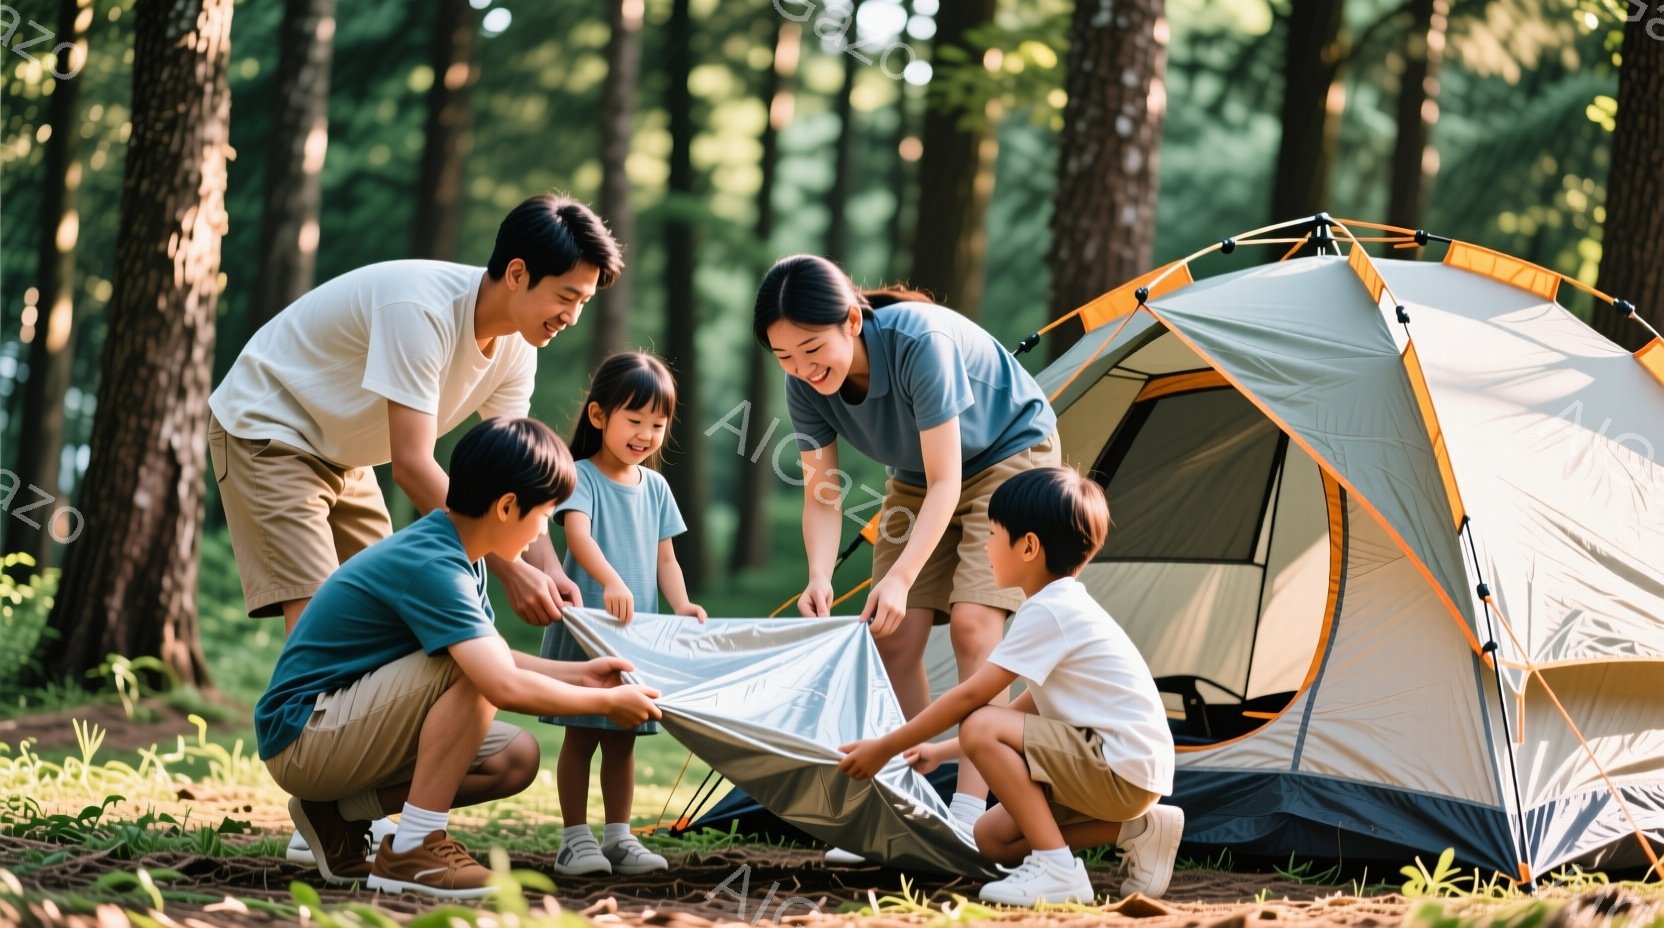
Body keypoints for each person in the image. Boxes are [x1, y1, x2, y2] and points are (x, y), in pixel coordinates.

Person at [210, 193, 623, 863]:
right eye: (566, 296)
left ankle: (343, 812)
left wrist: (547, 565)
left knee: (402, 632)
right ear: (517, 274)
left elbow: (513, 484)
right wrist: (510, 566)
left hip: (347, 454)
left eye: (583, 303)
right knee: (329, 625)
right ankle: (321, 805)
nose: (572, 317)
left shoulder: (517, 348)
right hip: (271, 431)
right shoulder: (423, 311)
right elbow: (412, 464)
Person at [256, 417, 663, 900]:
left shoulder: (460, 552)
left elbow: (490, 652)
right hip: (304, 735)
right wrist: (607, 705)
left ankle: (338, 814)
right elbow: (496, 679)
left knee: (515, 757)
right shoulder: (435, 565)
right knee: (473, 672)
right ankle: (415, 849)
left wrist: (584, 674)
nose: (539, 537)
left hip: (339, 729)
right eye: (543, 517)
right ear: (508, 506)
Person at [753, 254, 1060, 849]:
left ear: (850, 321)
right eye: (784, 357)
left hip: (1008, 456)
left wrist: (899, 578)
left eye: (813, 349)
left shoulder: (921, 343)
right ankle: (917, 801)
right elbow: (821, 494)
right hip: (918, 476)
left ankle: (971, 810)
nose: (803, 369)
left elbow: (952, 481)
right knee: (890, 634)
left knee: (974, 624)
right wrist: (818, 574)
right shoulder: (804, 385)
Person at [837, 466, 1182, 907]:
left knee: (979, 723)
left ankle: (1058, 869)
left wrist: (884, 747)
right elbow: (1027, 709)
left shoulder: (1049, 612)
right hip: (1126, 774)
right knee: (990, 838)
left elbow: (971, 699)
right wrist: (938, 752)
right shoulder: (1060, 606)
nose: (985, 546)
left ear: (1029, 546)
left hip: (1116, 766)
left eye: (994, 535)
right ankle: (1137, 828)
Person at [538, 352, 706, 877]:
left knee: (623, 740)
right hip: (588, 630)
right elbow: (578, 536)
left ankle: (619, 837)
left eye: (657, 424)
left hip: (634, 639)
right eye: (634, 420)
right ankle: (573, 839)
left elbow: (666, 559)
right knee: (582, 735)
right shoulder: (580, 476)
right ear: (598, 417)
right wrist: (609, 580)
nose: (645, 434)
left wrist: (681, 605)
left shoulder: (655, 487)